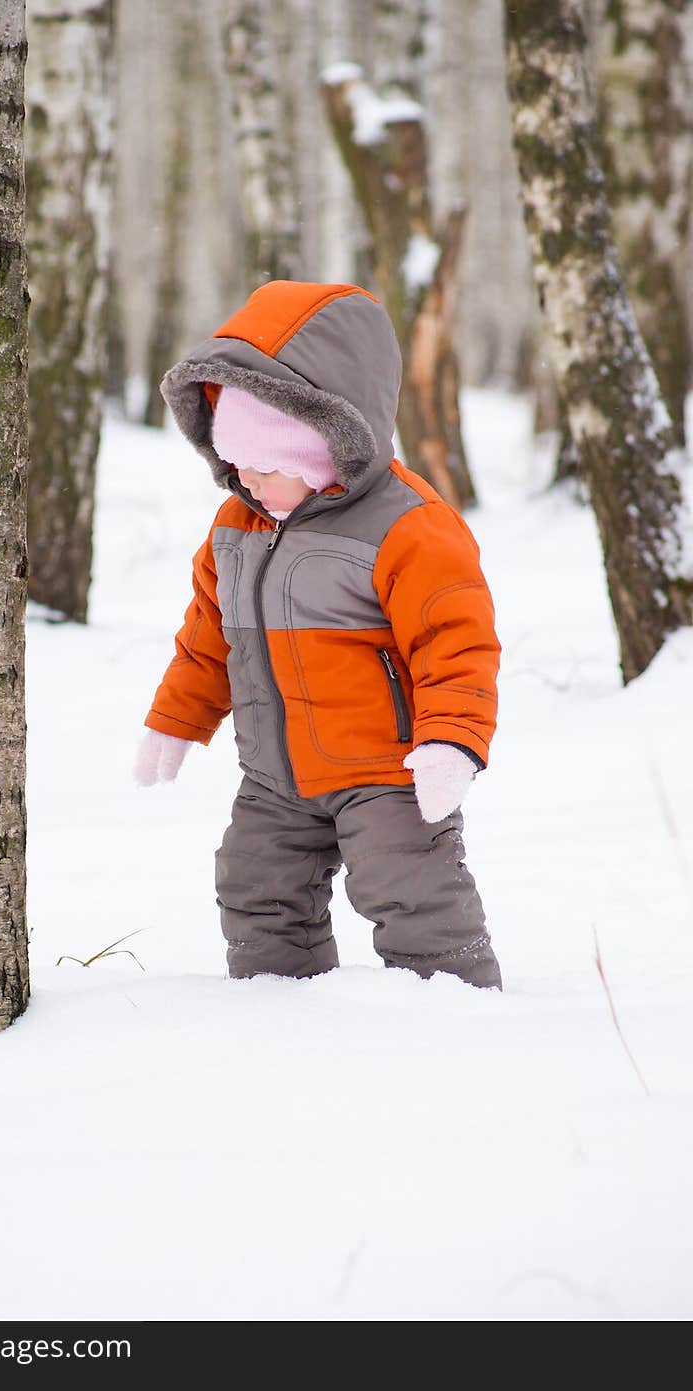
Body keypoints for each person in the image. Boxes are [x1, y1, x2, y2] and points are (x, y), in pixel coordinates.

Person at [134, 280, 502, 989]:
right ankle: (285, 1014)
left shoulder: (409, 526)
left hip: (385, 774)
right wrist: (174, 723)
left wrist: (452, 739)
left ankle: (458, 1010)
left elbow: (456, 641)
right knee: (253, 889)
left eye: (267, 467)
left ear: (327, 446)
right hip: (274, 775)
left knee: (412, 891)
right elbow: (209, 640)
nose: (248, 482)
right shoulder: (235, 530)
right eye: (236, 465)